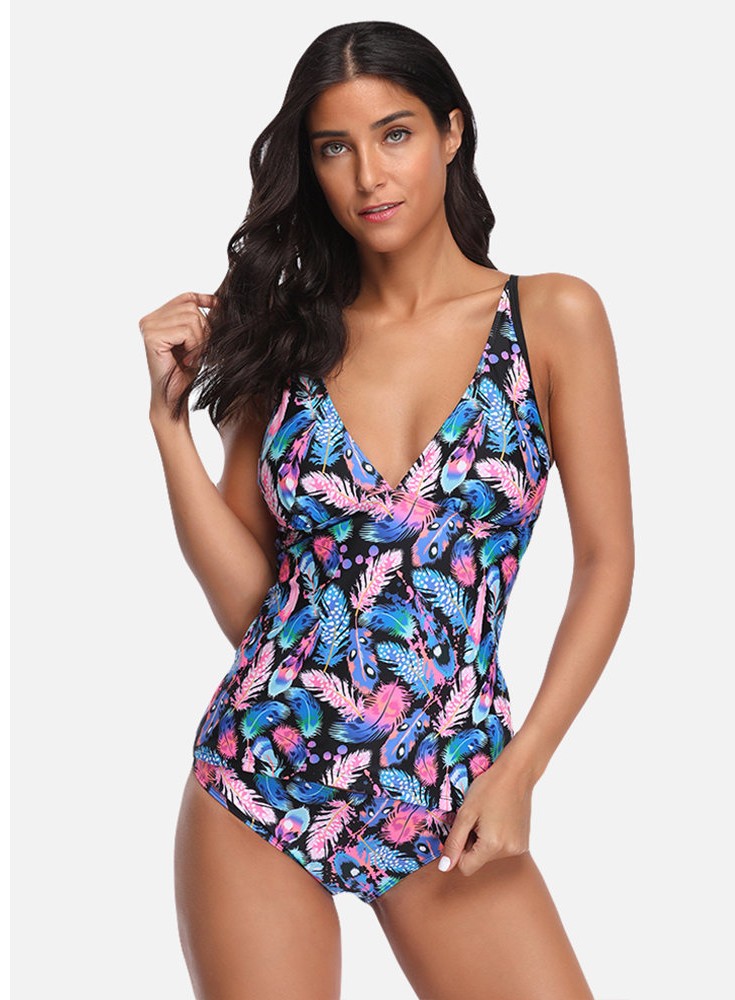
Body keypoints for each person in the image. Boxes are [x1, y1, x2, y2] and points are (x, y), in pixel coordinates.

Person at [139, 19, 634, 1000]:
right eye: (335, 147)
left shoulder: (550, 317)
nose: (369, 175)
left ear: (451, 132)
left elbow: (607, 562)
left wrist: (521, 769)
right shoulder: (288, 345)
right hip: (261, 774)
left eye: (395, 134)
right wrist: (167, 427)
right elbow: (252, 609)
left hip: (448, 792)